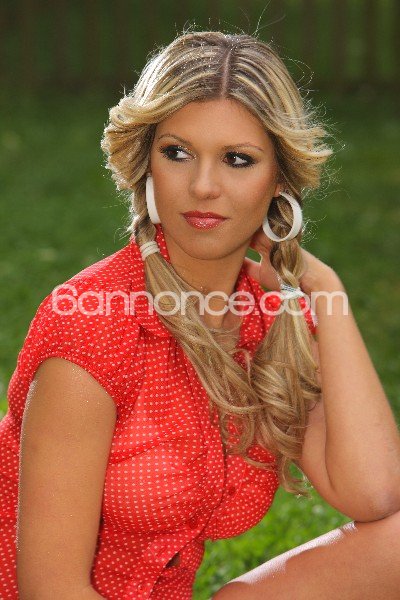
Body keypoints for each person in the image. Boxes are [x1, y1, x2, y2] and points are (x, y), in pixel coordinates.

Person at [1, 29, 400, 600]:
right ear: (146, 162)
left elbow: (374, 494)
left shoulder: (266, 315)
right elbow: (50, 589)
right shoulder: (91, 326)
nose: (203, 186)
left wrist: (323, 287)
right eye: (177, 153)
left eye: (238, 160)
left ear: (279, 181)